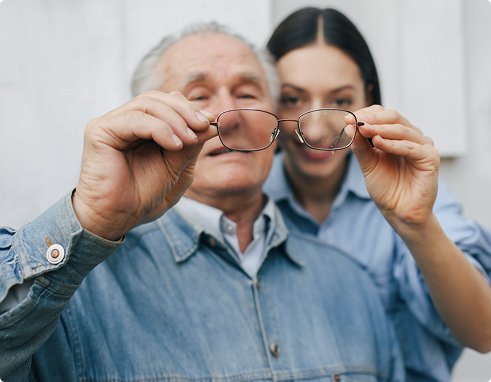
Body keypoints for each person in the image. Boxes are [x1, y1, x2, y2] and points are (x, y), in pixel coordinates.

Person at [0, 23, 405, 381]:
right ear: (148, 121)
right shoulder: (69, 292)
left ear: (278, 125)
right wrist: (88, 218)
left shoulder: (353, 285)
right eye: (199, 94)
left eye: (247, 92)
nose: (229, 114)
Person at [263, 7, 491, 382]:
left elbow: (482, 332)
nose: (318, 128)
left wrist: (417, 225)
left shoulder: (409, 188)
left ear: (368, 96)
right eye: (292, 99)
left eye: (339, 100)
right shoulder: (245, 197)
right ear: (268, 100)